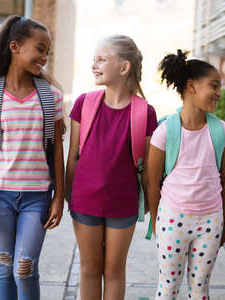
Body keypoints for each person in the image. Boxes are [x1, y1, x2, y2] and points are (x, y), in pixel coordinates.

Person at [0, 15, 65, 300]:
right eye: (39, 48)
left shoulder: (51, 97)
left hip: (37, 198)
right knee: (4, 266)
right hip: (0, 197)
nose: (44, 57)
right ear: (15, 47)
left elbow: (57, 149)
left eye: (47, 51)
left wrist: (59, 197)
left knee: (25, 268)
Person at [65, 35, 158, 300]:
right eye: (94, 59)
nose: (94, 65)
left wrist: (150, 206)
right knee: (90, 268)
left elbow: (149, 171)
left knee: (114, 269)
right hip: (84, 202)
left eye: (101, 59)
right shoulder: (84, 103)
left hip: (123, 205)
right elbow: (73, 156)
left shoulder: (145, 112)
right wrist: (66, 197)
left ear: (123, 67)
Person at [146, 50, 225, 299]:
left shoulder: (224, 133)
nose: (218, 92)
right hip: (172, 219)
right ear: (191, 86)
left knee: (200, 290)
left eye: (220, 87)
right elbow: (153, 183)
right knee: (167, 288)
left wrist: (222, 223)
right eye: (214, 86)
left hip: (210, 222)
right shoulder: (164, 131)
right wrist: (157, 222)